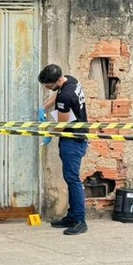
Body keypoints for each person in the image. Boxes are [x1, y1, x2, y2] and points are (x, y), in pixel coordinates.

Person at [39, 64, 89, 235]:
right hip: (76, 137)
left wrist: (48, 134)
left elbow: (61, 125)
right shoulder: (70, 81)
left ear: (56, 81)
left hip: (72, 140)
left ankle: (80, 220)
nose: (47, 88)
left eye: (48, 85)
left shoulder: (65, 96)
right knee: (70, 179)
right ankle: (72, 215)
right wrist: (44, 108)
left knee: (73, 179)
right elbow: (57, 96)